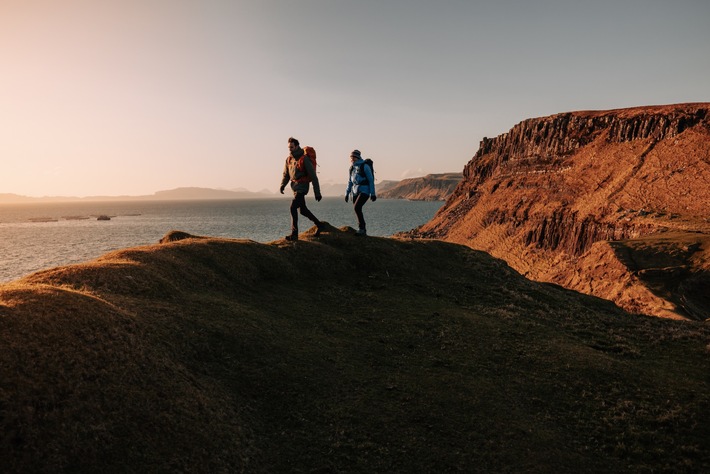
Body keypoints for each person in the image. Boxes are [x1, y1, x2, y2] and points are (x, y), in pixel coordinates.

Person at [279, 137, 323, 241]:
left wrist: (317, 192)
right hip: (294, 188)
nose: (290, 149)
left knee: (293, 207)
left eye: (292, 147)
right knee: (302, 210)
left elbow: (313, 176)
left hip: (302, 187)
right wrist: (282, 185)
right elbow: (286, 175)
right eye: (289, 147)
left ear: (297, 146)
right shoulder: (289, 159)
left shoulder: (304, 159)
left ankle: (294, 234)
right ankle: (319, 224)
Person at [344, 149, 376, 235]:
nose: (351, 159)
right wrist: (346, 193)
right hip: (355, 191)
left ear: (357, 157)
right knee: (357, 209)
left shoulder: (365, 166)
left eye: (353, 157)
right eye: (351, 157)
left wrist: (372, 193)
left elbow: (370, 180)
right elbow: (350, 181)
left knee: (357, 207)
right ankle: (361, 229)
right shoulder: (352, 168)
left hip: (365, 191)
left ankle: (362, 229)